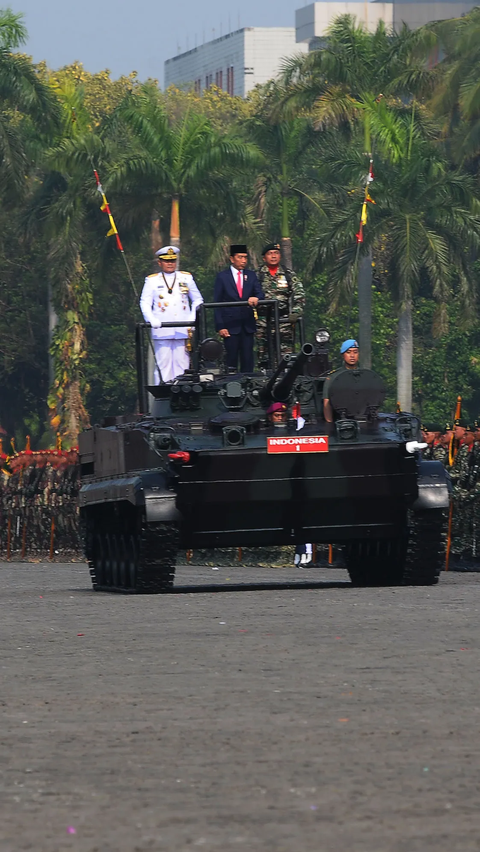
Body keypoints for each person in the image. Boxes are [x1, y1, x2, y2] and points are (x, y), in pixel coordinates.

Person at [139, 245, 203, 383]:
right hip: (162, 328)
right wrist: (151, 320)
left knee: (182, 365)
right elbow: (145, 302)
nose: (170, 264)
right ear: (160, 262)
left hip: (183, 327)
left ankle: (181, 394)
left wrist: (192, 318)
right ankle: (163, 397)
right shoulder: (152, 280)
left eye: (173, 261)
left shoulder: (186, 278)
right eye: (167, 261)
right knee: (163, 365)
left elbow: (198, 300)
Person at [214, 244, 264, 373]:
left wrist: (256, 298)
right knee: (231, 360)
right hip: (230, 325)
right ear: (232, 259)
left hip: (247, 324)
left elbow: (260, 293)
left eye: (245, 257)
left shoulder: (251, 275)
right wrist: (220, 326)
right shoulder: (223, 276)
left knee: (248, 359)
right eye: (240, 257)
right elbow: (217, 302)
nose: (243, 261)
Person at [255, 242, 305, 367]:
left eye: (276, 253)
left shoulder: (288, 274)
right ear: (264, 257)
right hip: (262, 321)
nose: (273, 256)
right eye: (270, 253)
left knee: (286, 354)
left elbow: (300, 293)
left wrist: (296, 312)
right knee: (263, 354)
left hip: (283, 321)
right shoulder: (257, 275)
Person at [323, 339, 360, 423]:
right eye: (348, 352)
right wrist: (329, 424)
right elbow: (326, 403)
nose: (352, 355)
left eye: (355, 352)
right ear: (342, 355)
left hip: (362, 420)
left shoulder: (365, 375)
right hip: (340, 421)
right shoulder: (333, 377)